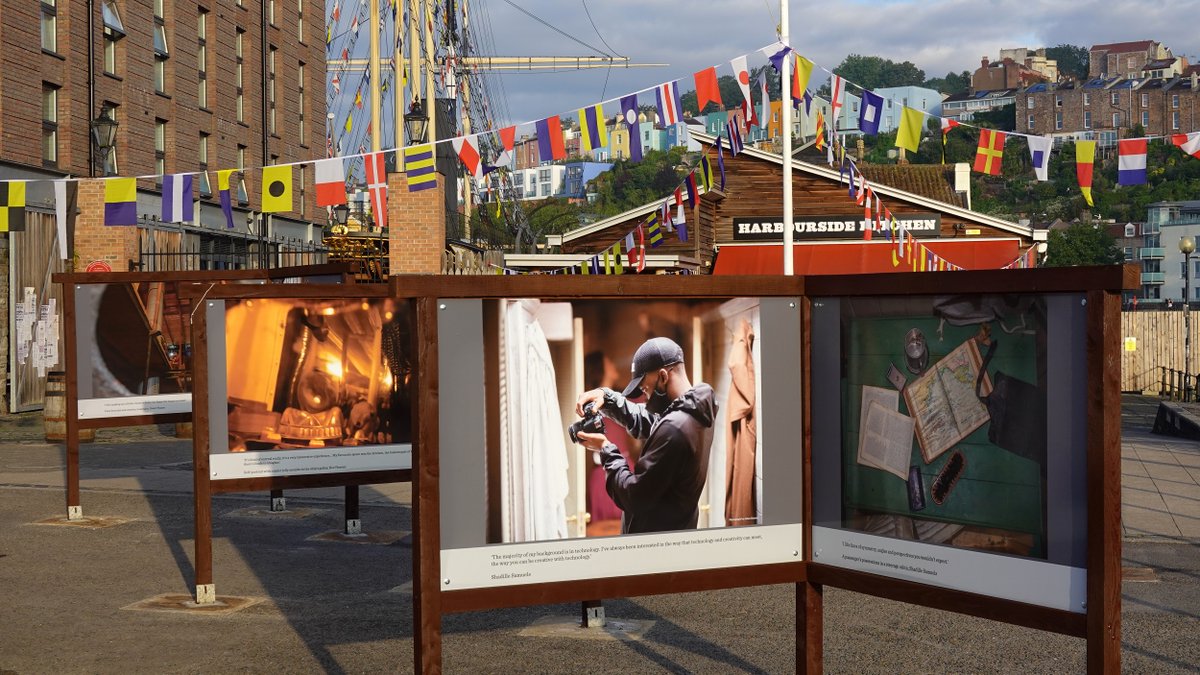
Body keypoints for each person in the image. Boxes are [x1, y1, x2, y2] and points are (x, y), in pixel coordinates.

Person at [574, 337, 717, 534]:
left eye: (644, 386)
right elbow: (650, 420)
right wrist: (607, 398)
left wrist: (606, 450)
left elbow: (633, 496)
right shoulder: (694, 411)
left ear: (663, 376)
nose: (644, 393)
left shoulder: (675, 429)